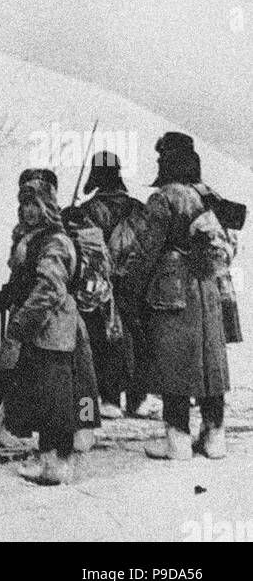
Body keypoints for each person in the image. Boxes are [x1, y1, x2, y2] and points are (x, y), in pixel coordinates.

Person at [123, 132, 230, 461]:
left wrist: (131, 287)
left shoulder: (164, 197)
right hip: (208, 287)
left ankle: (178, 438)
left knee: (175, 361)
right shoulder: (209, 194)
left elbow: (147, 249)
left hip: (172, 290)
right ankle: (214, 436)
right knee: (210, 361)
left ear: (168, 160)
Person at [0, 171, 80, 485]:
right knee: (42, 394)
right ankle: (49, 457)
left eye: (34, 203)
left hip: (51, 328)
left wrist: (20, 325)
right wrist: (9, 295)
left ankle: (57, 462)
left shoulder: (55, 241)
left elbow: (49, 288)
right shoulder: (30, 237)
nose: (28, 210)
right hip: (37, 328)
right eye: (24, 204)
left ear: (47, 205)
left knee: (54, 398)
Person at [75, 151, 149, 418]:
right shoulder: (139, 208)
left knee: (102, 337)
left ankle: (108, 398)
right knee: (137, 335)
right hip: (135, 283)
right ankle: (137, 398)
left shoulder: (87, 211)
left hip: (100, 285)